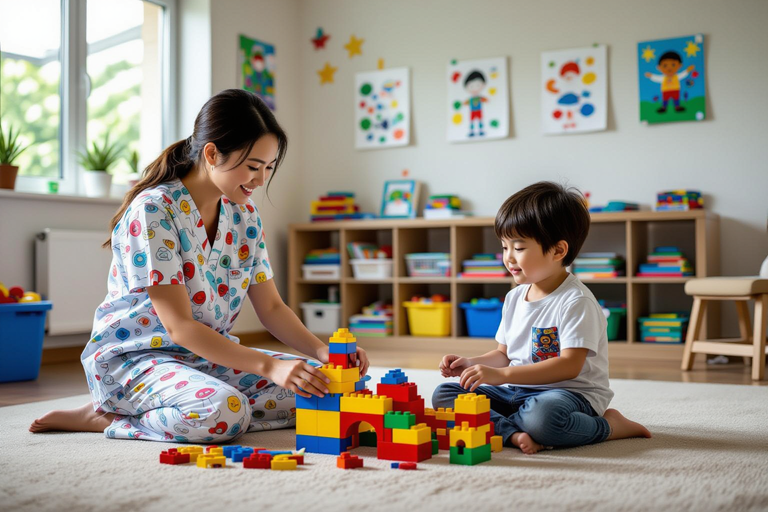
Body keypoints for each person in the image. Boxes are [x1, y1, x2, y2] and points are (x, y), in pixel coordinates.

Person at [30, 89, 368, 442]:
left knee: (330, 389)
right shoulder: (154, 210)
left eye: (268, 168)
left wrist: (322, 350)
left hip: (208, 357)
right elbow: (179, 328)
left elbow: (270, 306)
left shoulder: (245, 215)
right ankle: (112, 416)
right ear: (211, 153)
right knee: (222, 413)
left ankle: (182, 404)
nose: (261, 179)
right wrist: (270, 366)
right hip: (138, 360)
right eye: (253, 166)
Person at [432, 181, 650, 454]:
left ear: (558, 251)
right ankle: (512, 433)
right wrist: (472, 363)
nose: (509, 258)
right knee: (445, 394)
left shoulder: (576, 302)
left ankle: (611, 426)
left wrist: (501, 375)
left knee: (543, 419)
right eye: (504, 247)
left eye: (519, 248)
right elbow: (504, 353)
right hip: (516, 392)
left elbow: (569, 366)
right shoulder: (514, 298)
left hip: (568, 395)